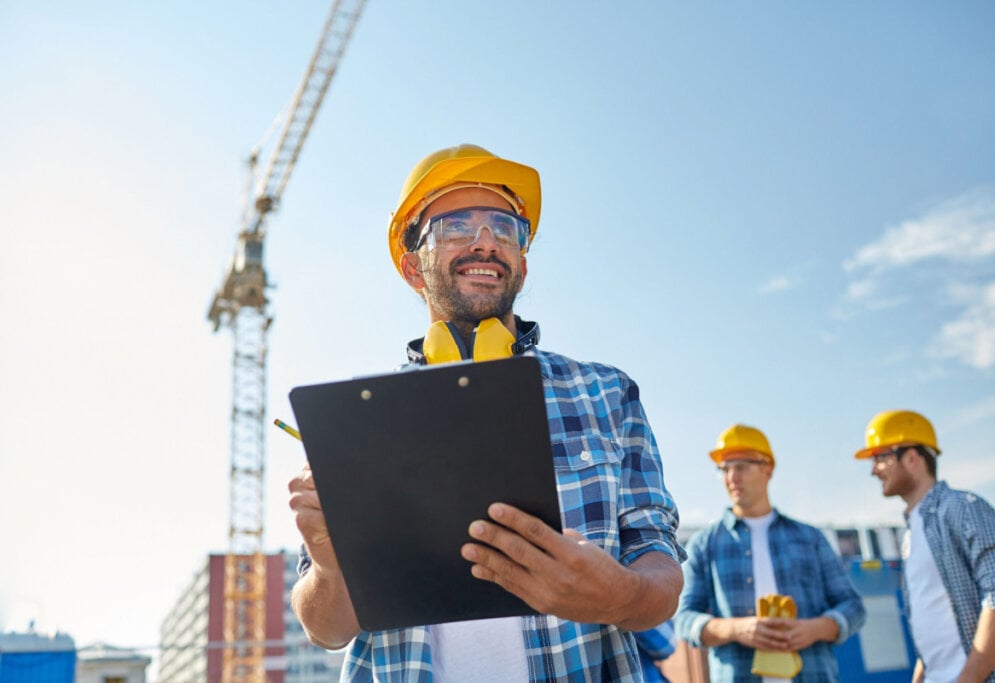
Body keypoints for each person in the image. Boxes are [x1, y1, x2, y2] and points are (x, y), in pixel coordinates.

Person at [288, 143, 686, 681]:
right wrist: (333, 568)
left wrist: (622, 595)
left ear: (522, 261)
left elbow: (659, 575)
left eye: (505, 228)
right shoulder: (361, 423)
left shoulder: (607, 393)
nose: (486, 242)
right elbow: (326, 629)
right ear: (412, 266)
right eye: (456, 226)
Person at [676, 424, 865, 682]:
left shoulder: (810, 538)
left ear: (768, 469)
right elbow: (684, 619)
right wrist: (735, 629)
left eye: (741, 466)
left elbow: (853, 607)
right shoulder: (704, 544)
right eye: (724, 468)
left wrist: (816, 628)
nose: (731, 477)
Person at [855, 409, 995, 682]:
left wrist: (967, 679)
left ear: (911, 457)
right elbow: (935, 629)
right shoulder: (911, 535)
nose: (874, 470)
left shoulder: (963, 508)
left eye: (881, 457)